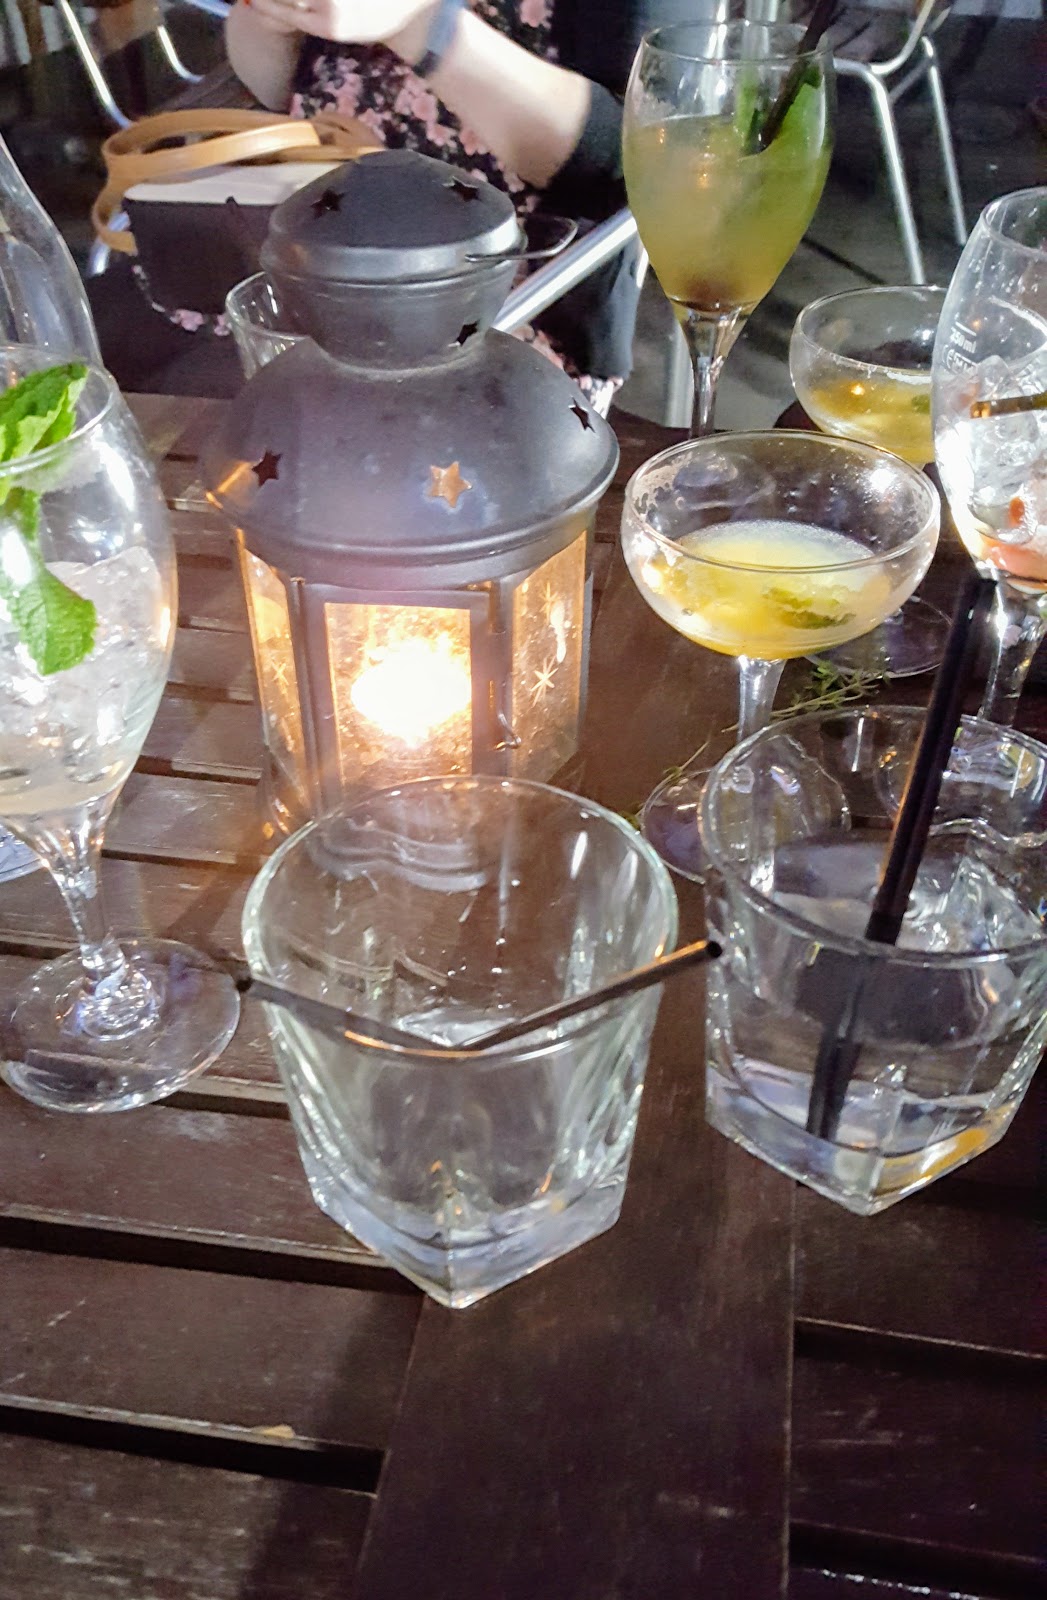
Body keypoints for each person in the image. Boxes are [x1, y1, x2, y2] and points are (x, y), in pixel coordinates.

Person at [221, 0, 678, 412]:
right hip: (310, 280)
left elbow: (631, 162)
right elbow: (281, 88)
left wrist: (421, 25)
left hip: (508, 325)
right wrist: (272, 21)